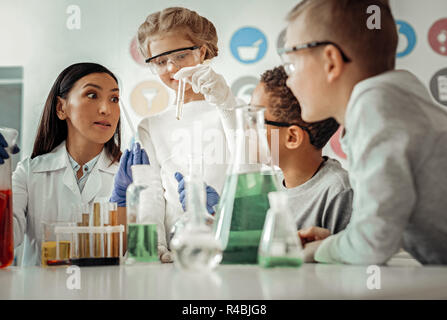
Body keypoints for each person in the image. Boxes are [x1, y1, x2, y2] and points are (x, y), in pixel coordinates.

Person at [282, 0, 447, 264]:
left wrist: (316, 252)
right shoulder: (393, 102)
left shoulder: (372, 107)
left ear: (330, 62)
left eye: (291, 64)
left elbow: (373, 244)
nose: (289, 79)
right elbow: (380, 232)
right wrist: (335, 243)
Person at [111, 7, 238, 262]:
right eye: (159, 61)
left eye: (180, 55)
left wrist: (227, 105)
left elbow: (252, 165)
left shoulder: (234, 111)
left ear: (201, 52)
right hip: (174, 256)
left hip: (231, 246)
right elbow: (152, 194)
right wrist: (154, 244)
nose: (171, 67)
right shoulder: (151, 126)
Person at [8, 62, 122, 266]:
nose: (106, 109)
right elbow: (3, 242)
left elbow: (144, 253)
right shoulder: (29, 172)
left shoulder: (129, 176)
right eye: (92, 95)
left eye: (114, 99)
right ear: (61, 107)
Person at [251, 66, 352, 242]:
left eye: (255, 119)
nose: (246, 128)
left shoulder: (338, 191)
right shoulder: (270, 185)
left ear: (292, 137)